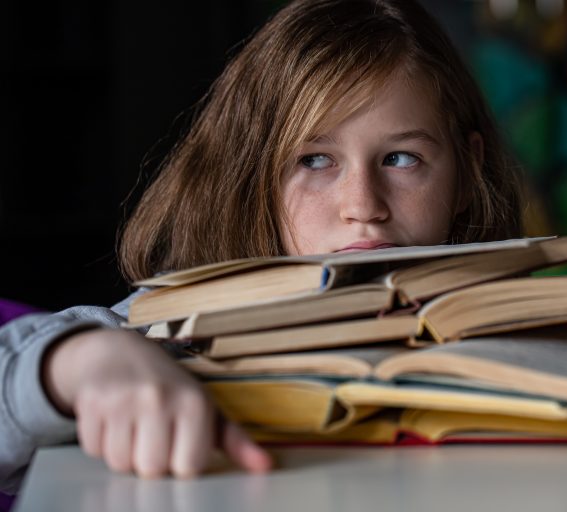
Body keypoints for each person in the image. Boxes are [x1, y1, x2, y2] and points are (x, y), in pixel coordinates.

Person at [0, 0, 523, 493]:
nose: (363, 205)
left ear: (467, 170)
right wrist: (77, 363)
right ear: (257, 181)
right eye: (315, 160)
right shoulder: (179, 333)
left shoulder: (522, 335)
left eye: (401, 158)